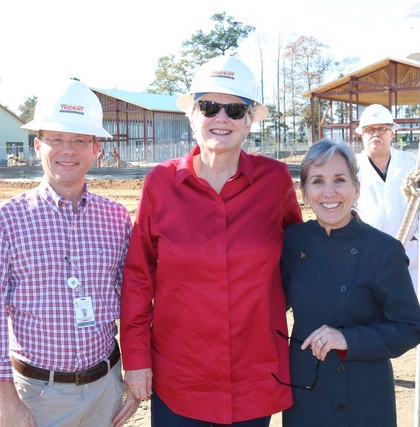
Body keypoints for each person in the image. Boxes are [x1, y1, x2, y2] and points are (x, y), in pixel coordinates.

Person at [120, 55, 303, 426]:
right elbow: (139, 278)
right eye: (209, 106)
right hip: (181, 379)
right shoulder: (160, 183)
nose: (221, 118)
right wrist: (137, 361)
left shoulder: (275, 181)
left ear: (249, 120)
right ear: (192, 115)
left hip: (254, 376)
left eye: (235, 109)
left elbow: (300, 260)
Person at [0, 79, 139, 427]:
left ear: (96, 149)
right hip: (38, 398)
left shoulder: (116, 217)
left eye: (79, 140)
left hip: (106, 390)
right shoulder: (7, 220)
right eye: (56, 139)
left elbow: (136, 302)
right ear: (37, 146)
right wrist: (6, 400)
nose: (68, 150)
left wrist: (135, 373)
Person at [280, 139, 420, 426]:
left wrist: (347, 338)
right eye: (318, 181)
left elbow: (410, 328)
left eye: (340, 180)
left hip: (363, 395)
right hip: (305, 391)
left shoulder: (383, 250)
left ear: (356, 188)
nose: (329, 192)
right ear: (304, 192)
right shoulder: (292, 241)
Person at [354, 104, 420, 388]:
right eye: (369, 130)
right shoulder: (351, 166)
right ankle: (366, 370)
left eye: (381, 129)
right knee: (365, 315)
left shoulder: (412, 164)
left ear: (392, 133)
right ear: (361, 135)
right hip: (367, 255)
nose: (375, 134)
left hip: (410, 254)